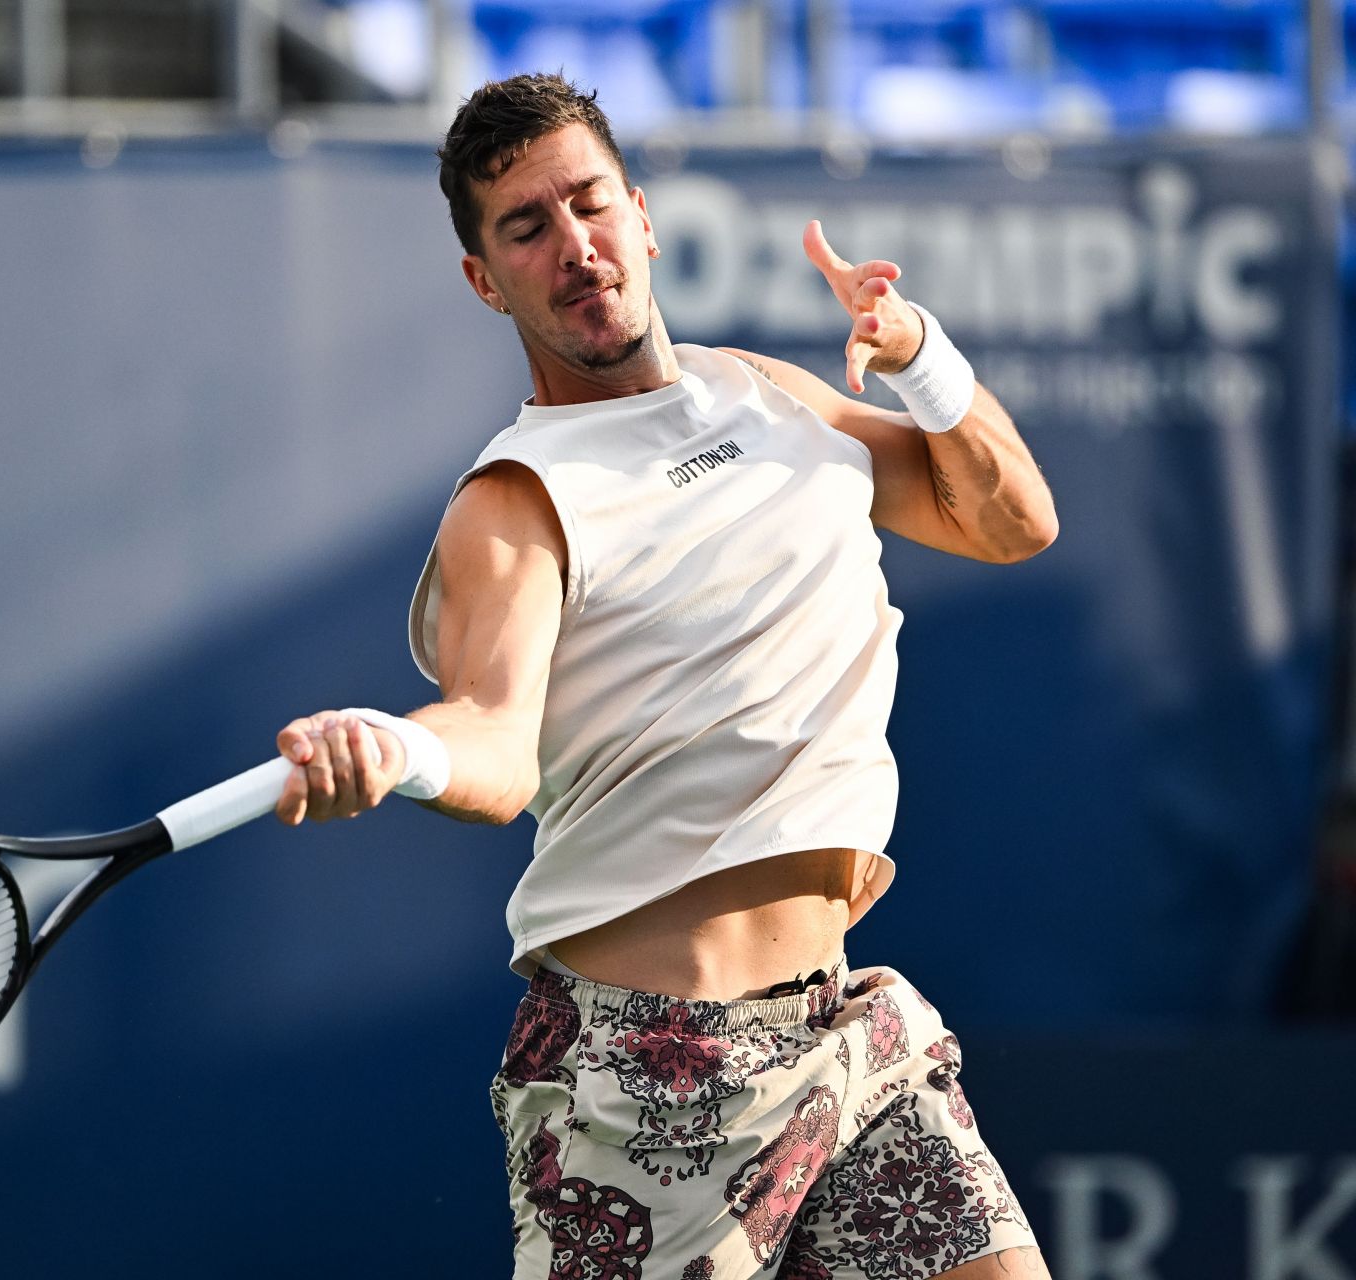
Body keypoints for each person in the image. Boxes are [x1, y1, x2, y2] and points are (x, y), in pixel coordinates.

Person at [273, 72, 1058, 1280]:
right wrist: (401, 750)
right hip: (646, 1073)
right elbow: (491, 735)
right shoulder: (513, 504)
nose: (574, 247)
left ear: (641, 216)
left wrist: (919, 357)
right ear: (487, 280)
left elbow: (1012, 522)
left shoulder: (773, 397)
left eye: (588, 204)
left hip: (845, 1022)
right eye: (527, 228)